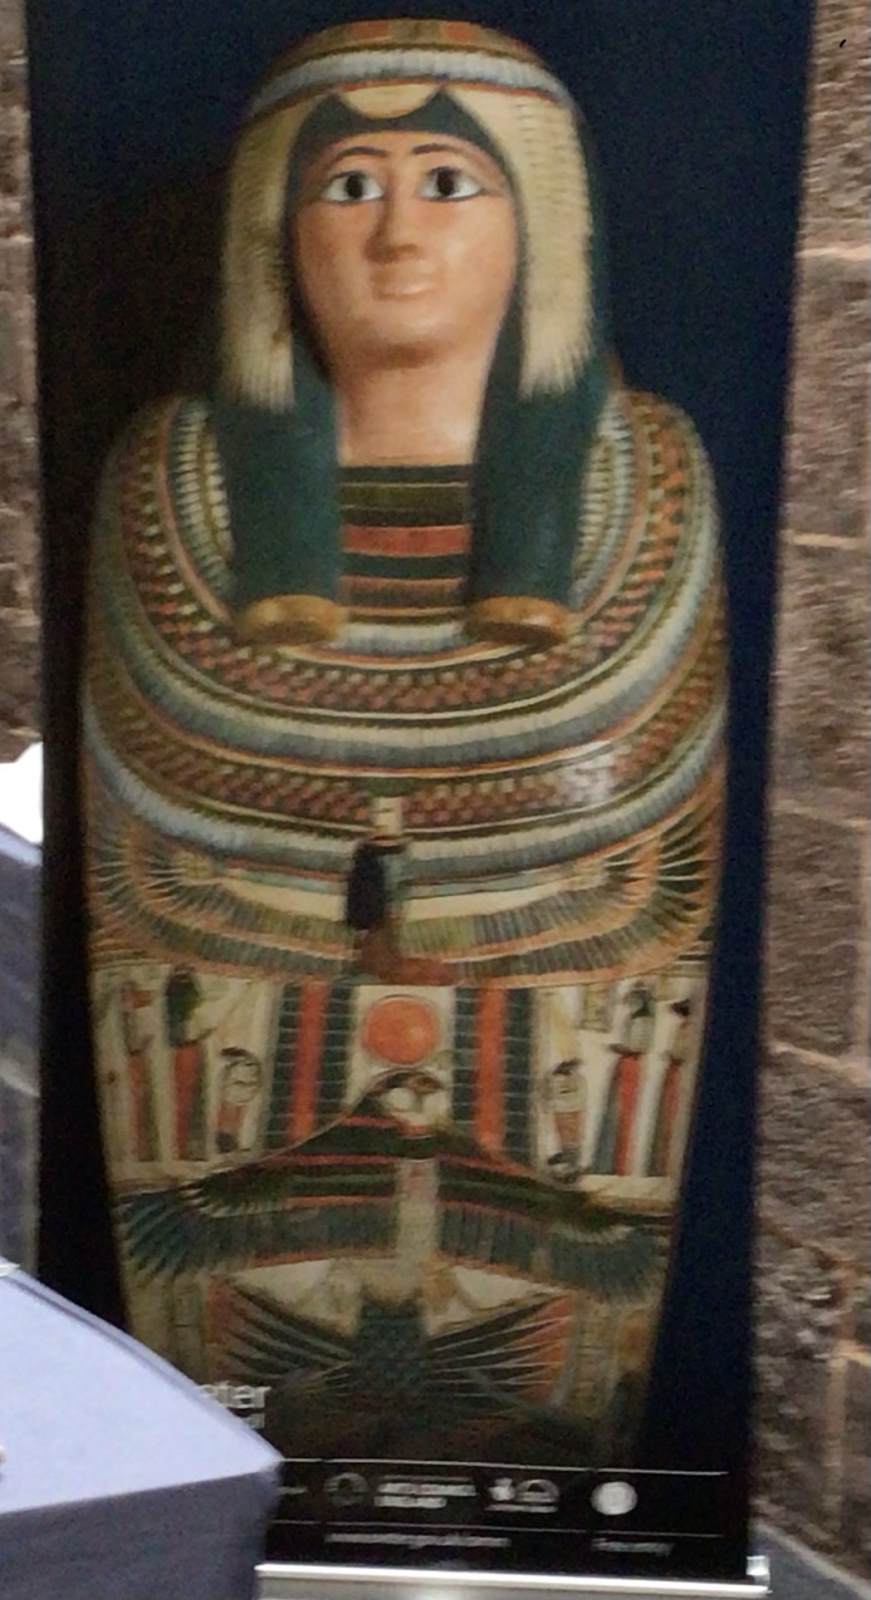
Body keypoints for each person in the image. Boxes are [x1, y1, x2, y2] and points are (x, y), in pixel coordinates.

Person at [84, 18, 725, 1462]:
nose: (394, 235)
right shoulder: (168, 488)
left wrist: (361, 884)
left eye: (447, 181)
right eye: (348, 185)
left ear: (539, 218)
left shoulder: (649, 482)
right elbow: (143, 861)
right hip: (235, 1082)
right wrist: (443, 883)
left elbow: (652, 865)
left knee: (553, 1347)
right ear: (274, 229)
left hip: (554, 1101)